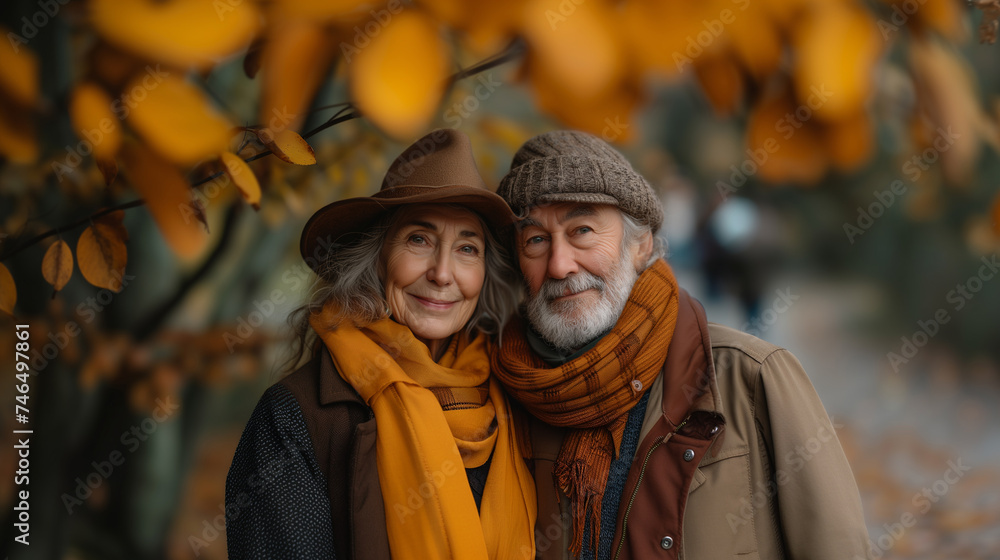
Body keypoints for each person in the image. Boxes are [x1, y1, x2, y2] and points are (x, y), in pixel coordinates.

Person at [490, 130, 871, 560]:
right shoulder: (506, 397)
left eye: (582, 230)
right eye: (536, 240)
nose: (560, 265)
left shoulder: (753, 378)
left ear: (641, 246)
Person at [225, 129, 537, 560]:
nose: (443, 274)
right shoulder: (296, 415)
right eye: (418, 240)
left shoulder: (515, 395)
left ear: (485, 273)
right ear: (376, 257)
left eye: (467, 248)